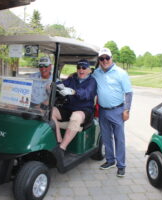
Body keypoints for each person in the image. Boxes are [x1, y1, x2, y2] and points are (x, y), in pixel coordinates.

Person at [92, 47, 133, 177]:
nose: (104, 61)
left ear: (111, 58)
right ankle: (110, 161)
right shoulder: (96, 73)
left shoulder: (121, 73)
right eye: (101, 58)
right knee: (106, 137)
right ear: (99, 60)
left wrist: (126, 110)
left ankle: (121, 165)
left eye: (107, 58)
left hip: (118, 110)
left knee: (119, 139)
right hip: (103, 111)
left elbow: (128, 93)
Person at [52, 59, 97, 153]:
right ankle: (58, 139)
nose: (81, 70)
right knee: (51, 111)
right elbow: (63, 84)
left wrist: (74, 91)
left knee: (76, 116)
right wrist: (55, 85)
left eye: (84, 68)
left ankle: (62, 148)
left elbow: (87, 94)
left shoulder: (92, 81)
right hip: (69, 108)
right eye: (79, 68)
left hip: (84, 110)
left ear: (89, 70)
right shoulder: (73, 79)